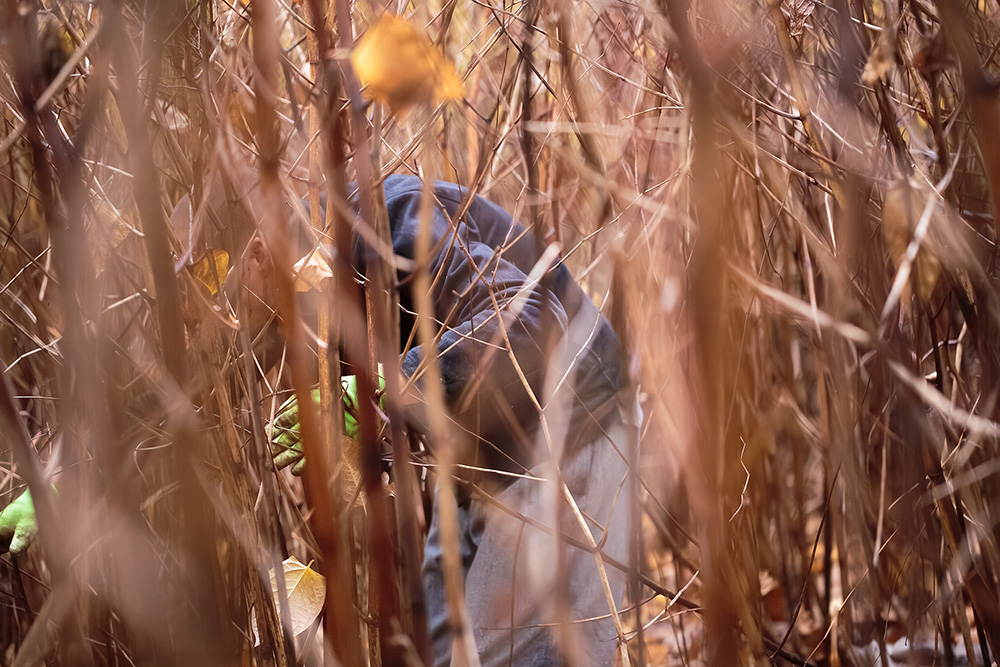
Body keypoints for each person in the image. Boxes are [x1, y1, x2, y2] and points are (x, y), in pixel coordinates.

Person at [1, 174, 636, 666]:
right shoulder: (277, 305)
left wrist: (386, 388)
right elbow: (186, 390)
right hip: (482, 466)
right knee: (444, 652)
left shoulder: (384, 219)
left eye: (222, 294)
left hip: (574, 429)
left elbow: (530, 318)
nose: (223, 322)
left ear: (258, 251)